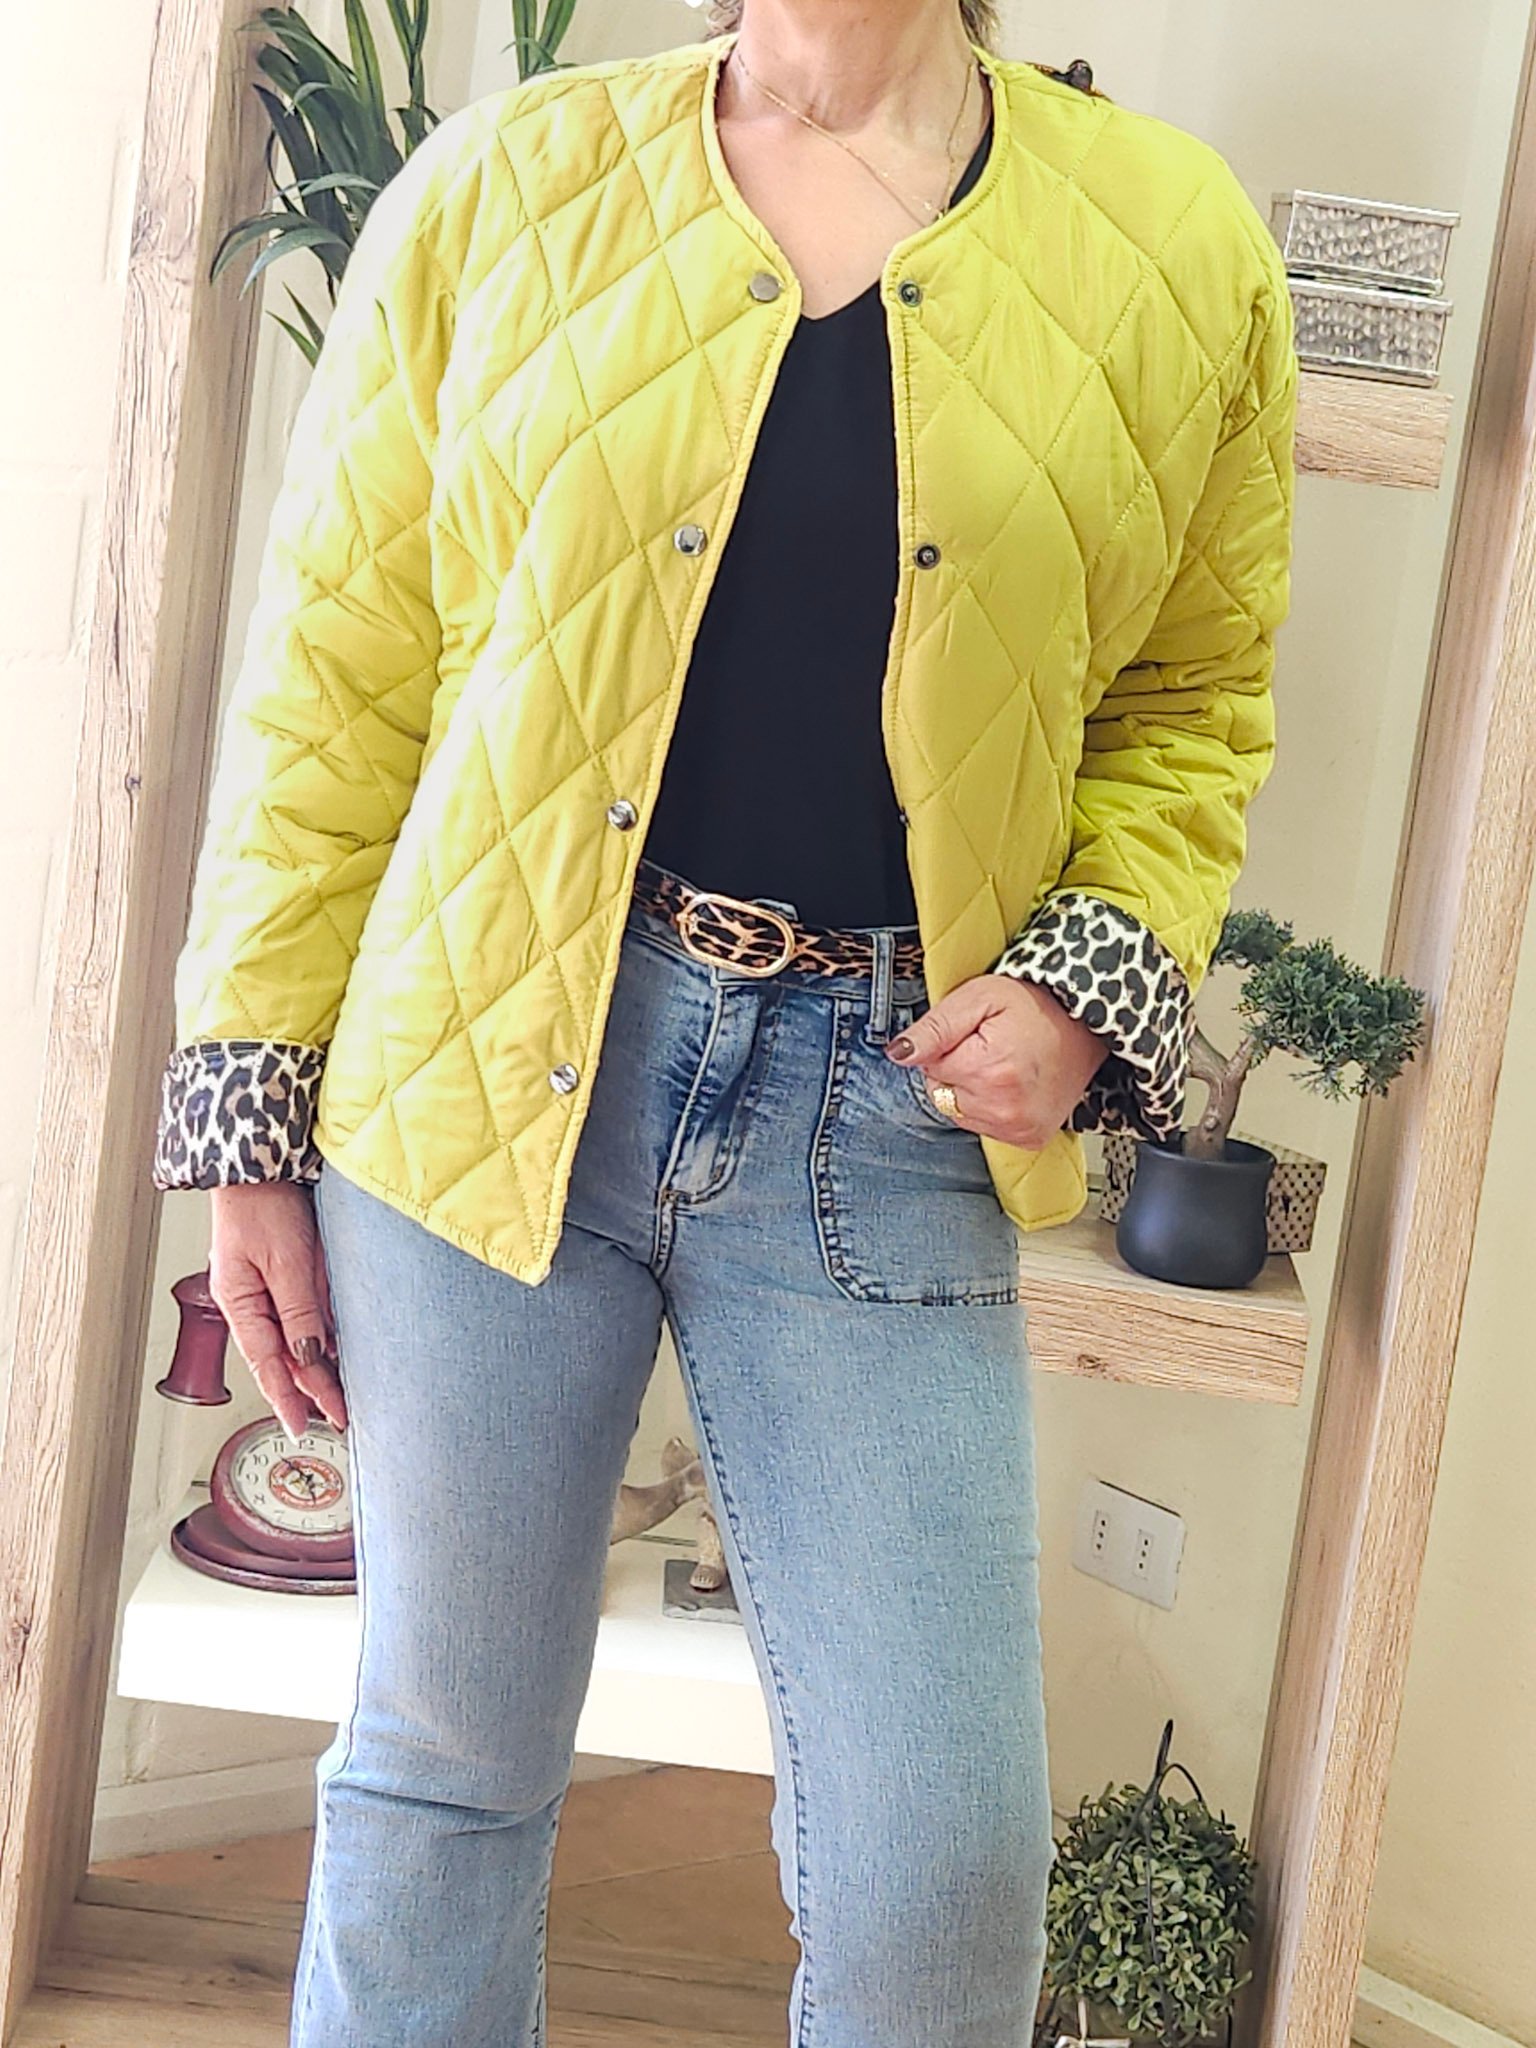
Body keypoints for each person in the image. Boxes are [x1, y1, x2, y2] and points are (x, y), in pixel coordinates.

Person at [151, 1, 1298, 2041]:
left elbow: (1193, 702)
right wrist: (248, 1126)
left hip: (889, 1114)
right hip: (492, 1058)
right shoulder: (508, 185)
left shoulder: (1171, 241)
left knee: (942, 1877)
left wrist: (1087, 973)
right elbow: (337, 678)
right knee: (441, 1771)